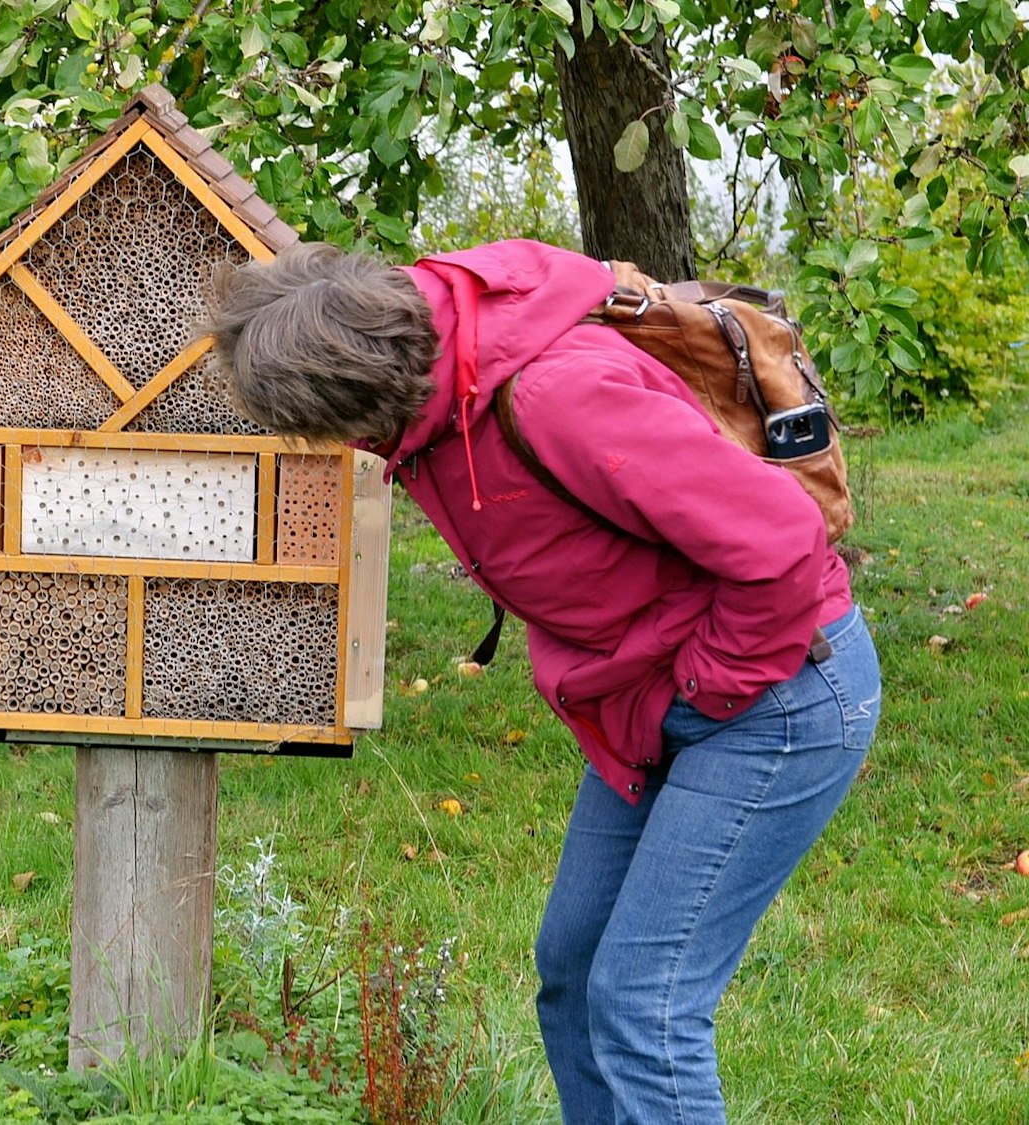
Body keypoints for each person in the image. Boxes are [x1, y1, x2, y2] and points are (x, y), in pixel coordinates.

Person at [207, 239, 880, 1124]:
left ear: (363, 393)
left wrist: (707, 688)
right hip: (653, 694)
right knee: (573, 970)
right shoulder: (429, 391)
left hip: (777, 694)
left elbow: (784, 543)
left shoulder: (559, 396)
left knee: (646, 1004)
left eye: (336, 429)